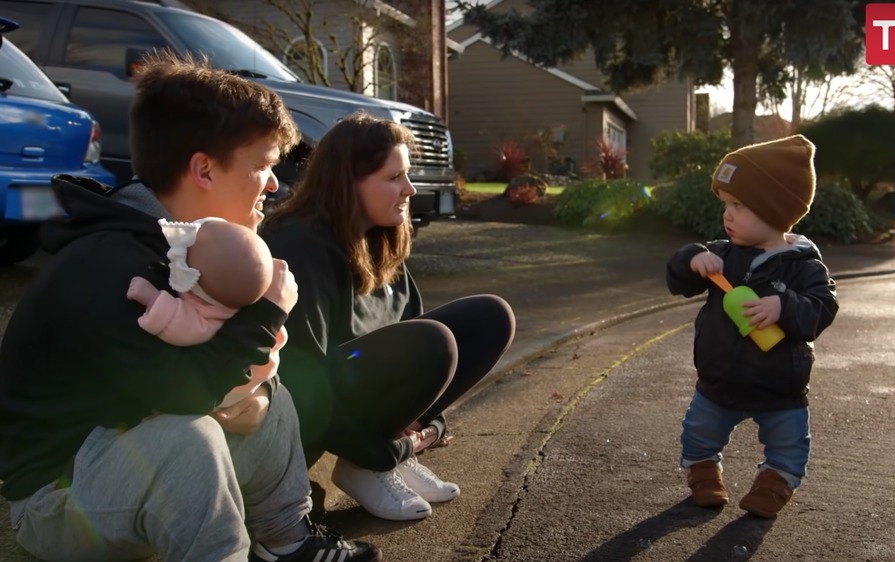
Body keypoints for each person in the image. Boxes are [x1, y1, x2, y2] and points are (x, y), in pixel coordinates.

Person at [0, 52, 380, 562]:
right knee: (191, 438)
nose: (273, 184)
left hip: (131, 451)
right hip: (57, 497)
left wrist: (245, 396)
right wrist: (265, 314)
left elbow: (189, 389)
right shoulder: (112, 267)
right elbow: (182, 396)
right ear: (203, 169)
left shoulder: (182, 252)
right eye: (262, 167)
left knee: (273, 397)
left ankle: (286, 541)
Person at [262, 111, 516, 522]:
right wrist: (381, 451)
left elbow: (408, 328)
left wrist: (423, 426)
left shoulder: (379, 236)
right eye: (394, 177)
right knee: (432, 342)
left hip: (355, 397)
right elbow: (300, 382)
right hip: (310, 414)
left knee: (490, 317)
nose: (410, 189)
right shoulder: (300, 244)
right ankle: (368, 464)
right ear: (349, 182)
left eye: (407, 175)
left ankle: (381, 457)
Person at [665, 134, 839, 519]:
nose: (727, 214)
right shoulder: (722, 255)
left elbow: (823, 306)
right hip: (719, 379)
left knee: (789, 442)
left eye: (739, 205)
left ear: (774, 210)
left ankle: (776, 481)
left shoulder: (802, 266)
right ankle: (702, 470)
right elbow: (679, 278)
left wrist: (784, 305)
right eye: (726, 204)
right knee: (699, 431)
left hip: (780, 385)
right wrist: (691, 260)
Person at [127, 218, 287, 408]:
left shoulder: (208, 314)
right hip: (247, 375)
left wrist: (152, 297)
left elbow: (179, 323)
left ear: (193, 280)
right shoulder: (237, 294)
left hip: (229, 391)